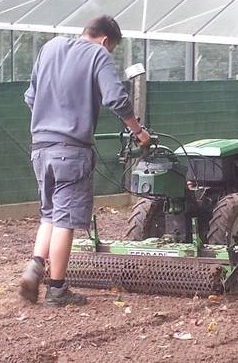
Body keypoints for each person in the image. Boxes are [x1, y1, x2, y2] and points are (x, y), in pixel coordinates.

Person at [20, 15, 150, 307]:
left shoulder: (50, 47)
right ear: (106, 41)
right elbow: (116, 99)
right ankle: (56, 289)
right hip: (71, 150)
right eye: (112, 48)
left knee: (49, 213)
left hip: (40, 147)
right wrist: (138, 131)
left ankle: (35, 266)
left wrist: (49, 120)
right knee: (65, 219)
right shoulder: (97, 54)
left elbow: (31, 97)